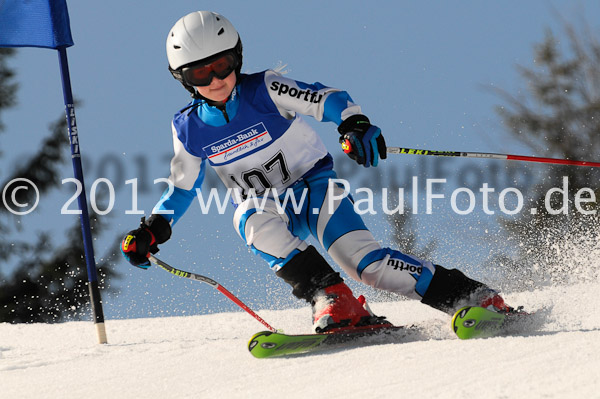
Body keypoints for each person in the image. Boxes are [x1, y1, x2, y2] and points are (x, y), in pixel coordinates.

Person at [121, 11, 517, 333]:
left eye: (222, 66)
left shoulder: (265, 90)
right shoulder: (188, 128)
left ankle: (471, 296)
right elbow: (181, 187)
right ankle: (333, 299)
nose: (216, 80)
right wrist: (153, 227)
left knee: (366, 266)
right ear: (183, 79)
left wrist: (353, 124)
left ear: (236, 59)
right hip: (264, 203)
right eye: (199, 74)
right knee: (249, 219)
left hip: (314, 189)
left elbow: (327, 100)